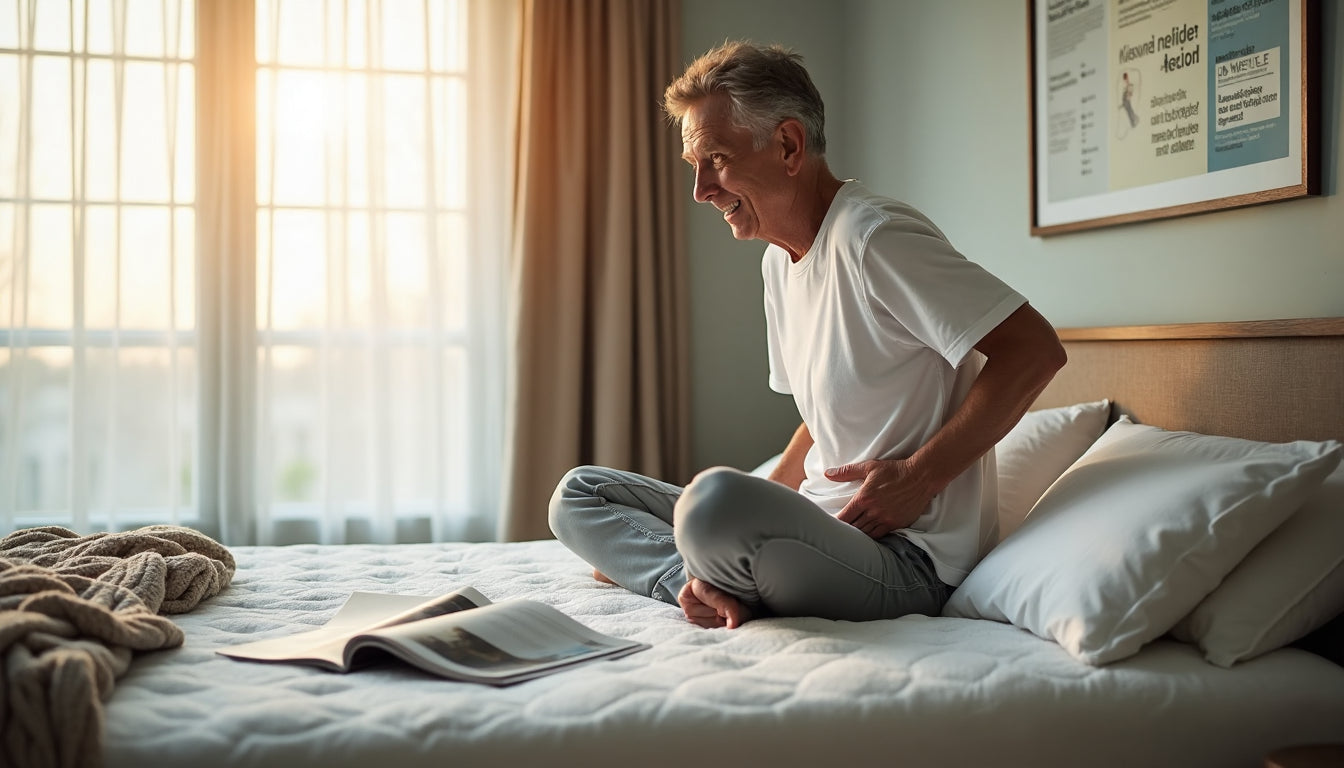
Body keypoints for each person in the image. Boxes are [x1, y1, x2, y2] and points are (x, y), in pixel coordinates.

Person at [548, 41, 1066, 630]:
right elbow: (820, 417)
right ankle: (703, 580)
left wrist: (922, 476)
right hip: (813, 527)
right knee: (578, 493)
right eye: (695, 165)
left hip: (904, 558)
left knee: (711, 503)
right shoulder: (778, 260)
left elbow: (1034, 350)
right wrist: (771, 495)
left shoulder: (875, 239)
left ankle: (682, 569)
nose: (701, 190)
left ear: (788, 146)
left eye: (715, 158)